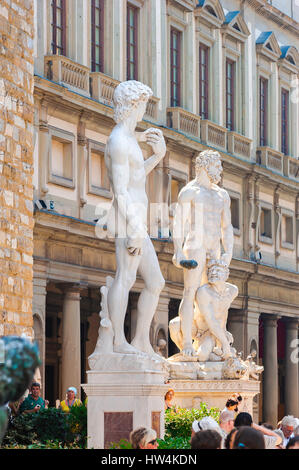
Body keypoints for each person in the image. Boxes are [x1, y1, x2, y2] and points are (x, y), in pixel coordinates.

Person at [103, 80, 166, 357]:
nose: (144, 110)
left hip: (138, 221)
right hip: (128, 221)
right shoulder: (118, 141)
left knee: (156, 282)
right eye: (142, 104)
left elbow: (137, 178)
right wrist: (135, 225)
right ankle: (118, 342)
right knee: (125, 277)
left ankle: (140, 340)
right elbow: (120, 190)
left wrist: (158, 156)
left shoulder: (130, 140)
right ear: (132, 105)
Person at [171, 149, 234, 357]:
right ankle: (187, 343)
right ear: (206, 166)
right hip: (195, 246)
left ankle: (214, 339)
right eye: (217, 165)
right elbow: (179, 224)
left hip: (214, 249)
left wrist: (228, 254)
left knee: (214, 295)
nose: (221, 169)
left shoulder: (222, 195)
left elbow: (227, 228)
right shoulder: (190, 192)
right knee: (189, 293)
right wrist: (177, 252)